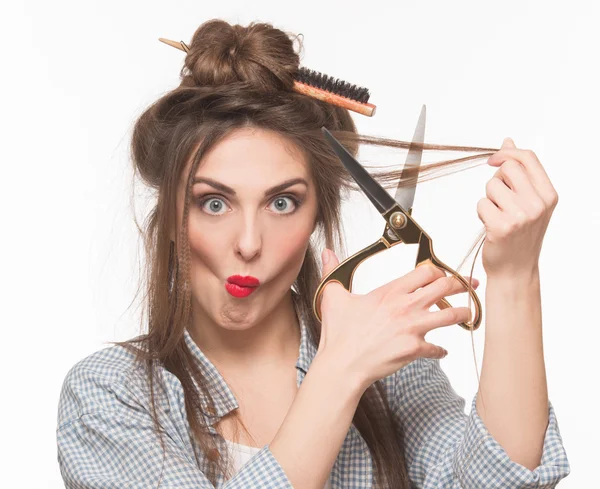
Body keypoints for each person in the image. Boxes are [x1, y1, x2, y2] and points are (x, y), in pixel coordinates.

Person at [56, 19, 571, 489]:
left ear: (317, 218)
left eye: (283, 202)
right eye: (214, 202)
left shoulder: (390, 369)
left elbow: (501, 483)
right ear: (171, 216)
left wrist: (514, 277)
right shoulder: (108, 394)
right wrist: (339, 373)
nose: (249, 242)